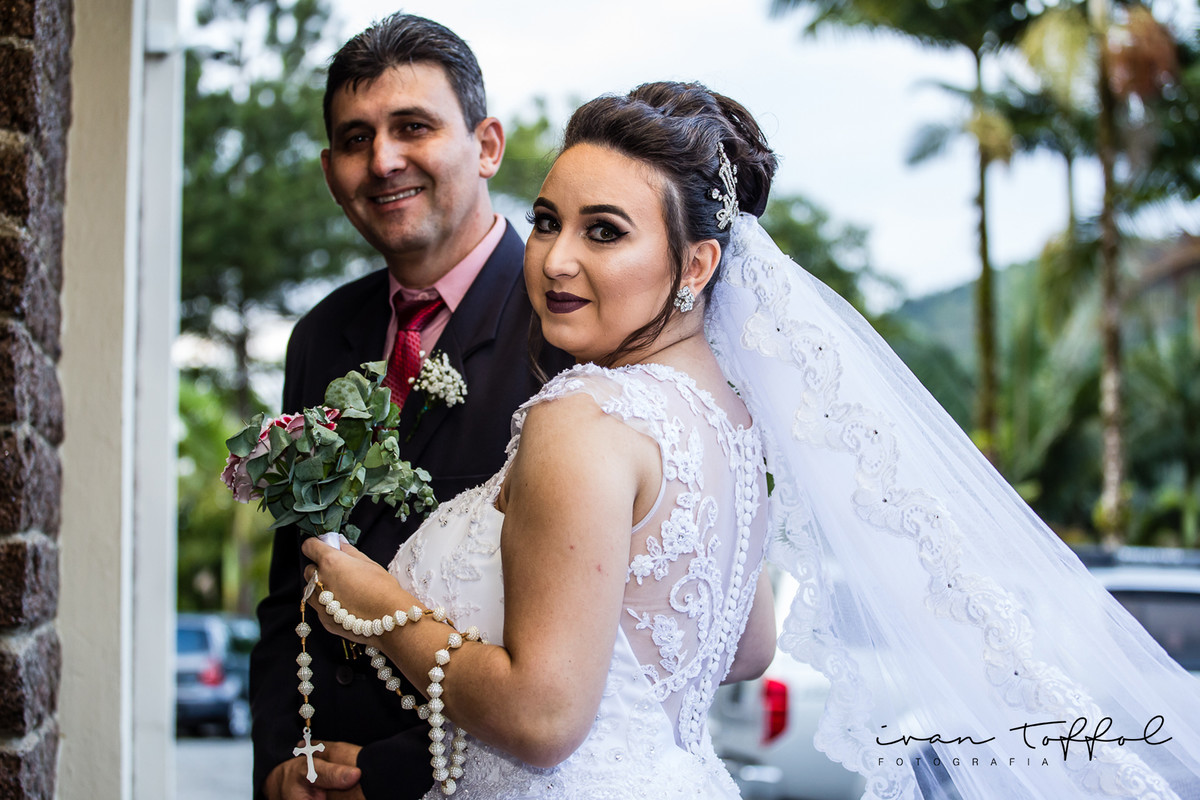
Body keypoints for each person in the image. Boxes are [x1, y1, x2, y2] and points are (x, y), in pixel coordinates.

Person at [302, 80, 1200, 800]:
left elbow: (542, 724)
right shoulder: (729, 420)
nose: (555, 259)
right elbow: (744, 648)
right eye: (546, 221)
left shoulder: (581, 418)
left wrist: (381, 606)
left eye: (604, 231)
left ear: (697, 264)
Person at [249, 13, 569, 800]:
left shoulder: (564, 324)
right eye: (355, 139)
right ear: (331, 170)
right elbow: (290, 592)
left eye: (413, 127)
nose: (383, 160)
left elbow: (589, 640)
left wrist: (384, 777)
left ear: (487, 145)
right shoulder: (319, 335)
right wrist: (281, 763)